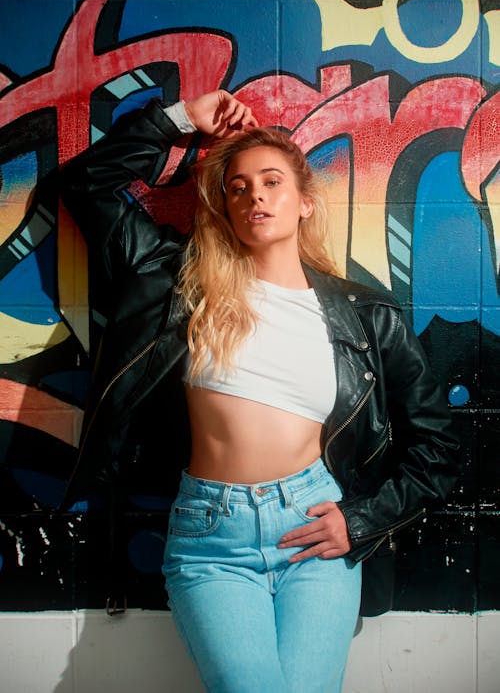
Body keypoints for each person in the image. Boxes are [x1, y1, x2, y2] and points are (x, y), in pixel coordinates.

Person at [55, 89, 460, 692]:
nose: (254, 196)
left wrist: (362, 519)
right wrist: (182, 118)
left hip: (314, 529)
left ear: (304, 203)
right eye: (238, 187)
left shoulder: (365, 315)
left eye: (272, 181)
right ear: (224, 207)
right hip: (210, 539)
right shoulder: (177, 283)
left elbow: (439, 445)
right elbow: (87, 184)